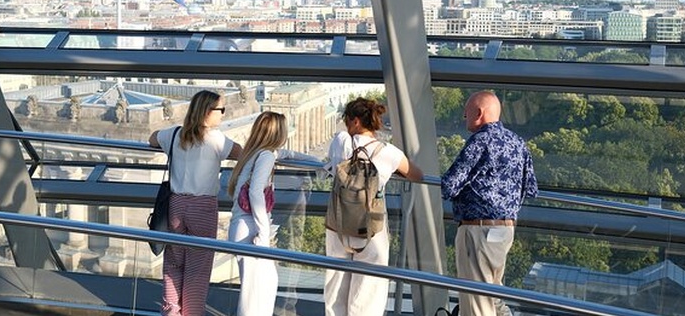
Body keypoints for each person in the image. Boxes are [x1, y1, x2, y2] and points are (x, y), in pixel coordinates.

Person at [324, 97, 424, 316]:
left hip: (338, 224)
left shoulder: (340, 141)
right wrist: (389, 170)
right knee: (368, 293)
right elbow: (417, 175)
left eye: (346, 120)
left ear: (356, 121)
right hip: (371, 229)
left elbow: (332, 167)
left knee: (335, 288)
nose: (345, 125)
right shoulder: (388, 152)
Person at [441, 91, 538, 316]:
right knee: (493, 296)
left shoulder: (480, 141)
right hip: (505, 230)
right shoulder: (517, 142)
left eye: (466, 112)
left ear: (479, 113)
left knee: (477, 302)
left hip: (478, 229)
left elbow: (449, 185)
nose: (464, 116)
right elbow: (530, 188)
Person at [148, 90, 243, 316]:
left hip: (176, 205)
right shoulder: (217, 139)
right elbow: (242, 153)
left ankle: (170, 312)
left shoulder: (174, 135)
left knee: (173, 265)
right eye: (221, 110)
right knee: (197, 270)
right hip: (203, 207)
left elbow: (152, 139)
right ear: (208, 112)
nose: (223, 115)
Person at [226, 111, 322, 316]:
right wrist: (263, 233)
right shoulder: (266, 156)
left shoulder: (256, 152)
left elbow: (287, 154)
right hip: (251, 228)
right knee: (257, 295)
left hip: (243, 226)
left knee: (262, 287)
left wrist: (316, 162)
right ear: (279, 132)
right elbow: (255, 191)